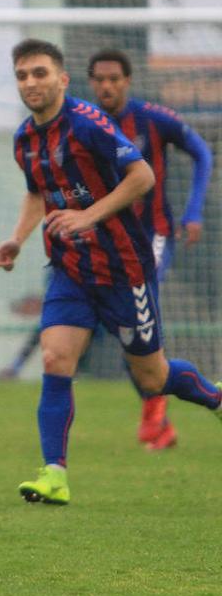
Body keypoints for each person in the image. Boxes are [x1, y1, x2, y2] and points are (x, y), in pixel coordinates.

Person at [0, 38, 221, 506]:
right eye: (22, 75)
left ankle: (215, 399)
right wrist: (17, 238)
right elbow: (38, 192)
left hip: (123, 268)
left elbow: (143, 177)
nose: (31, 83)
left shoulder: (88, 123)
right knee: (55, 359)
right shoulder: (24, 139)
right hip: (70, 268)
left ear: (62, 79)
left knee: (153, 378)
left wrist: (88, 216)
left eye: (40, 73)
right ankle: (54, 474)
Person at [88, 48, 212, 451]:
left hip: (152, 237)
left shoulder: (153, 119)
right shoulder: (84, 124)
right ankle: (163, 419)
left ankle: (155, 408)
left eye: (114, 79)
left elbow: (202, 153)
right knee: (128, 330)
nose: (107, 86)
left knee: (137, 317)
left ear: (127, 81)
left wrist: (193, 210)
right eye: (100, 79)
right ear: (91, 83)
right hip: (108, 243)